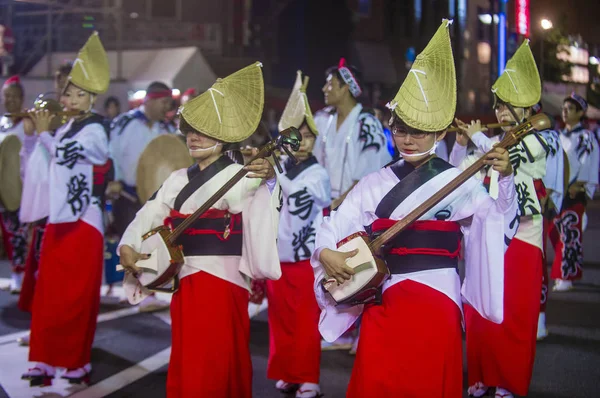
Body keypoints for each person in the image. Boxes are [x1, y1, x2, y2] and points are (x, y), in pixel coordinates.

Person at [311, 20, 518, 397]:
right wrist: (325, 252)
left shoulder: (460, 182)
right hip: (384, 296)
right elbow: (334, 224)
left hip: (438, 298)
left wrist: (504, 180)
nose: (405, 139)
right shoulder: (375, 183)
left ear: (440, 134)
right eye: (399, 129)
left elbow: (495, 221)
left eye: (418, 132)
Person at [118, 62, 282, 398]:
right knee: (190, 357)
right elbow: (150, 212)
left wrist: (267, 179)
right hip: (184, 279)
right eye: (190, 128)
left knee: (213, 359)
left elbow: (262, 206)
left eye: (203, 131)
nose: (193, 137)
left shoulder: (240, 175)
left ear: (223, 137)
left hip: (221, 282)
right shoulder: (178, 179)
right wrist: (128, 246)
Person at [451, 40, 548, 398]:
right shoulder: (492, 142)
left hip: (523, 238)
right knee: (479, 310)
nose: (502, 111)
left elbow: (517, 155)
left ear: (527, 108)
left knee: (514, 315)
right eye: (499, 105)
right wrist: (462, 142)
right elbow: (456, 176)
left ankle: (508, 382)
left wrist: (477, 136)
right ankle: (481, 376)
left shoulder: (539, 138)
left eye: (510, 106)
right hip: (486, 236)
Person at [20, 31, 110, 386]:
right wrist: (34, 136)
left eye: (79, 94)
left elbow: (86, 154)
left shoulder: (95, 129)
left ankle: (76, 362)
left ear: (91, 98)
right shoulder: (67, 127)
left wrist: (44, 136)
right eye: (68, 92)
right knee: (49, 295)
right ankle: (43, 359)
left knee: (76, 296)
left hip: (83, 221)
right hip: (59, 220)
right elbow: (42, 167)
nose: (71, 98)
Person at [266, 71, 330, 398]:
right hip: (277, 257)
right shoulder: (279, 169)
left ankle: (309, 378)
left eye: (306, 137)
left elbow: (298, 198)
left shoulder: (317, 173)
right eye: (295, 137)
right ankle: (289, 372)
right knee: (280, 322)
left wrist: (274, 171)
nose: (301, 143)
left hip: (305, 259)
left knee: (306, 322)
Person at [106, 81, 174, 310]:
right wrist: (112, 180)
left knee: (152, 243)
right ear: (151, 100)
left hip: (156, 197)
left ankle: (146, 291)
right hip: (127, 192)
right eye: (164, 102)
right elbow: (110, 152)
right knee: (132, 242)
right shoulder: (125, 123)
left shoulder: (167, 129)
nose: (167, 107)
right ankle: (140, 292)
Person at [313, 58, 392, 210]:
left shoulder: (367, 124)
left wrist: (342, 202)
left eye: (330, 84)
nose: (324, 89)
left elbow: (370, 174)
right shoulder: (321, 119)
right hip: (320, 205)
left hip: (353, 208)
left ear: (345, 88)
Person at [549, 93, 599, 291]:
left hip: (573, 192)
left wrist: (581, 185)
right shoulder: (557, 135)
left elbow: (589, 163)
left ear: (580, 113)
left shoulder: (586, 138)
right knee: (556, 233)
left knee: (569, 235)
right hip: (556, 193)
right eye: (564, 108)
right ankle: (563, 272)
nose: (565, 111)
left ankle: (566, 276)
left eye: (570, 108)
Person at [0, 76, 32, 294]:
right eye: (6, 96)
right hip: (4, 188)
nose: (9, 100)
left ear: (21, 98)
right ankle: (16, 274)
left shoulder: (28, 124)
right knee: (10, 234)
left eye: (13, 96)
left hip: (24, 188)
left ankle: (25, 275)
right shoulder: (2, 123)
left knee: (24, 234)